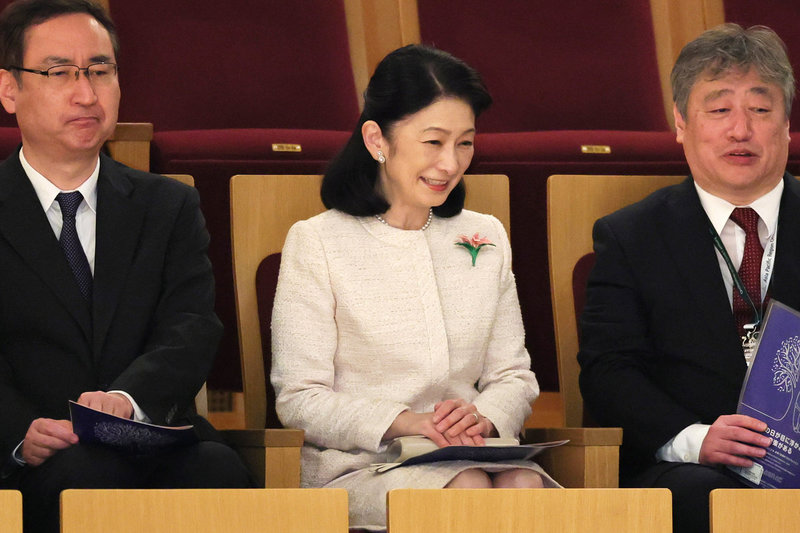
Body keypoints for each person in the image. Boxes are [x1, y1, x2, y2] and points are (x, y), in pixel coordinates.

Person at [271, 43, 558, 530]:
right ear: (377, 139)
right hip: (361, 465)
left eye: (465, 143)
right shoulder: (317, 241)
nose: (450, 163)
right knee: (464, 489)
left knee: (524, 486)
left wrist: (482, 417)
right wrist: (407, 422)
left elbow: (513, 375)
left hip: (473, 454)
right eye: (433, 142)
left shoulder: (484, 234)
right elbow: (299, 398)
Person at [0, 1, 251, 531]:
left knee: (219, 470)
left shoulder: (168, 205)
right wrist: (21, 434)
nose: (86, 94)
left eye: (100, 70)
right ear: (9, 89)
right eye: (59, 73)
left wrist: (126, 399)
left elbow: (191, 328)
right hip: (29, 457)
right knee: (86, 477)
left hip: (149, 435)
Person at [578, 23, 797, 533]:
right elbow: (608, 370)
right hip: (693, 466)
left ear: (787, 123)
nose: (740, 130)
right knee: (703, 496)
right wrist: (695, 439)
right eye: (719, 110)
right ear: (680, 122)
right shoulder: (631, 236)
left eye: (760, 109)